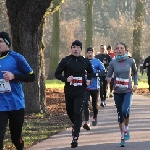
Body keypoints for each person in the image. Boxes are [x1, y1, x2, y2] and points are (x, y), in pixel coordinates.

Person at [55, 40, 93, 148]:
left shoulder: (85, 61)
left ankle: (75, 138)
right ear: (71, 48)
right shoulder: (66, 60)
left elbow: (91, 72)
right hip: (69, 91)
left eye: (77, 47)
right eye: (73, 47)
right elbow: (57, 74)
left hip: (81, 91)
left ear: (81, 49)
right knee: (70, 112)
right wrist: (66, 79)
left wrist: (89, 79)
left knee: (77, 113)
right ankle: (76, 124)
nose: (75, 49)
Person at [0, 32, 35, 150]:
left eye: (0, 41)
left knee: (15, 138)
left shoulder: (16, 58)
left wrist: (14, 76)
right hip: (0, 106)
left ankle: (20, 146)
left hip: (15, 104)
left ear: (7, 43)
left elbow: (31, 77)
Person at [106, 42, 138, 147]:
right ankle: (122, 136)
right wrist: (108, 79)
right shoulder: (113, 62)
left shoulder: (130, 60)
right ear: (116, 50)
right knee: (120, 115)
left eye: (122, 48)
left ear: (125, 49)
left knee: (125, 111)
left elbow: (135, 72)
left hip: (127, 91)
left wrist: (136, 84)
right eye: (118, 48)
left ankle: (126, 128)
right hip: (117, 92)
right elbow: (108, 75)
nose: (120, 50)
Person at [83, 47, 105, 130]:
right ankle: (87, 121)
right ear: (86, 53)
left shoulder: (97, 61)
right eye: (88, 52)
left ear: (93, 53)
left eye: (91, 53)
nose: (89, 54)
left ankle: (95, 117)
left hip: (95, 86)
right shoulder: (83, 61)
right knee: (86, 103)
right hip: (85, 86)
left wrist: (95, 74)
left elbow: (103, 71)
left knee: (94, 104)